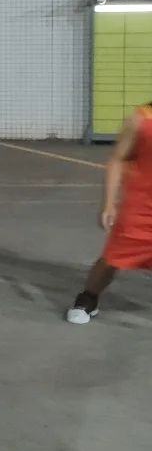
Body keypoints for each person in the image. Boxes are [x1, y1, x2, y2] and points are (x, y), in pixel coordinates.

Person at [67, 105, 152, 324]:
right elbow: (118, 159)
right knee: (113, 257)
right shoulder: (141, 119)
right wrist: (109, 203)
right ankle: (88, 298)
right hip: (141, 207)